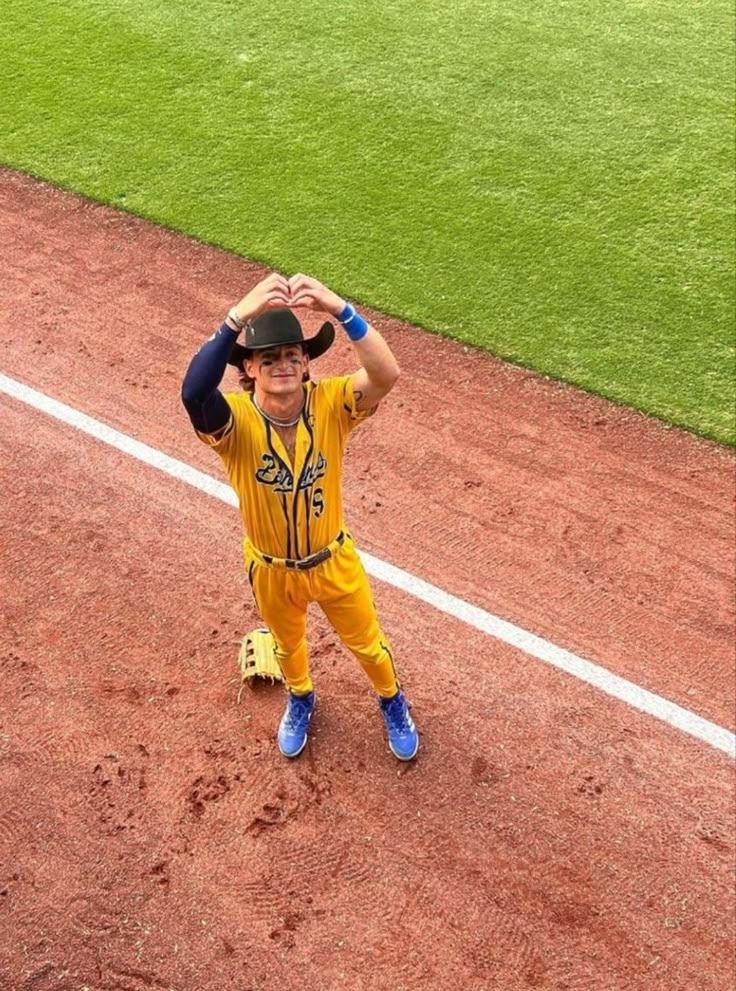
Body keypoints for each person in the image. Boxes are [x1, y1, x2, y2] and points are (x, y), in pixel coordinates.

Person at [181, 272, 419, 761]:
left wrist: (339, 308)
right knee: (289, 650)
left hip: (334, 561)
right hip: (270, 570)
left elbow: (387, 374)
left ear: (307, 362)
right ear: (249, 367)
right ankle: (301, 697)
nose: (283, 364)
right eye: (269, 357)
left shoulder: (332, 404)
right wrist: (237, 317)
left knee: (369, 646)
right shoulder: (234, 421)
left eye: (293, 355)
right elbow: (192, 393)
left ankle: (392, 701)